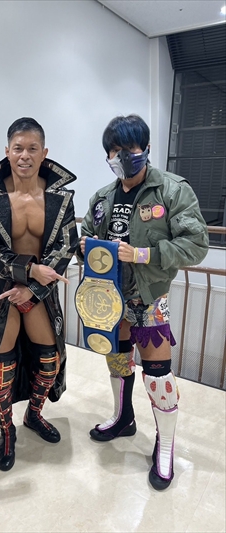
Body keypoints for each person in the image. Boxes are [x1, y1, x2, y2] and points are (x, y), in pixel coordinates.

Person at [77, 114, 209, 490]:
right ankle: (123, 419)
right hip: (110, 299)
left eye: (129, 149)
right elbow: (86, 234)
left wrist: (142, 254)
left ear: (146, 149)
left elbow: (196, 245)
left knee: (158, 376)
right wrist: (84, 247)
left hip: (150, 299)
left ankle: (165, 446)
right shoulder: (101, 197)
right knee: (118, 363)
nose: (122, 157)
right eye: (114, 151)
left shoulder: (172, 190)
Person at [0, 117, 78, 471]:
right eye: (18, 148)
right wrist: (28, 271)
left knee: (50, 360)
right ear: (7, 151)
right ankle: (7, 431)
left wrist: (32, 286)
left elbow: (66, 247)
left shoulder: (61, 198)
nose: (25, 155)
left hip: (40, 292)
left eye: (33, 148)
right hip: (3, 292)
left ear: (44, 153)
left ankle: (34, 413)